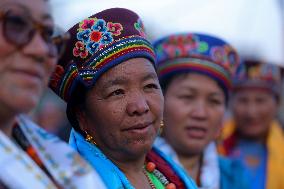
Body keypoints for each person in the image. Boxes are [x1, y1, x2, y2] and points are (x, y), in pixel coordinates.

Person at [49, 7, 198, 189]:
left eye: (150, 86)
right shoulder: (69, 183)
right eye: (117, 92)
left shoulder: (169, 173)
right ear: (82, 116)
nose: (141, 106)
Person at [0, 0, 107, 188]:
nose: (41, 50)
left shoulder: (58, 164)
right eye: (16, 23)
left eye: (48, 34)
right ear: (82, 115)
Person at [153, 33, 249, 189]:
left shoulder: (234, 177)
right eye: (187, 97)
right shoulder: (134, 170)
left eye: (214, 101)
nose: (200, 113)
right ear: (160, 100)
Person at [218, 59, 284, 189]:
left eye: (260, 101)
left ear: (276, 105)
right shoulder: (212, 146)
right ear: (230, 104)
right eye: (243, 100)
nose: (251, 112)